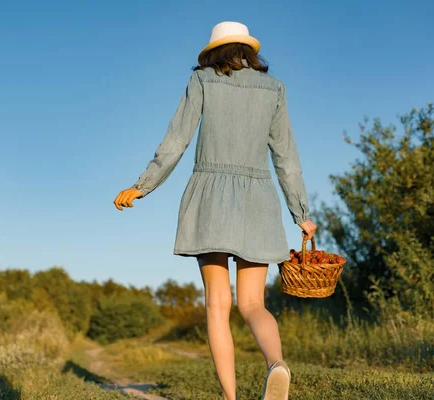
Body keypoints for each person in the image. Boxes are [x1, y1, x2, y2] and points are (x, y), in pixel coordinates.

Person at [113, 21, 317, 400]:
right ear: (249, 51)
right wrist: (301, 213)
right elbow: (286, 156)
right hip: (258, 200)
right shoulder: (274, 89)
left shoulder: (203, 80)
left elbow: (177, 139)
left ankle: (230, 397)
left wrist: (143, 186)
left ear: (213, 50)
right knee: (254, 304)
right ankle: (277, 364)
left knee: (217, 304)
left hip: (210, 196)